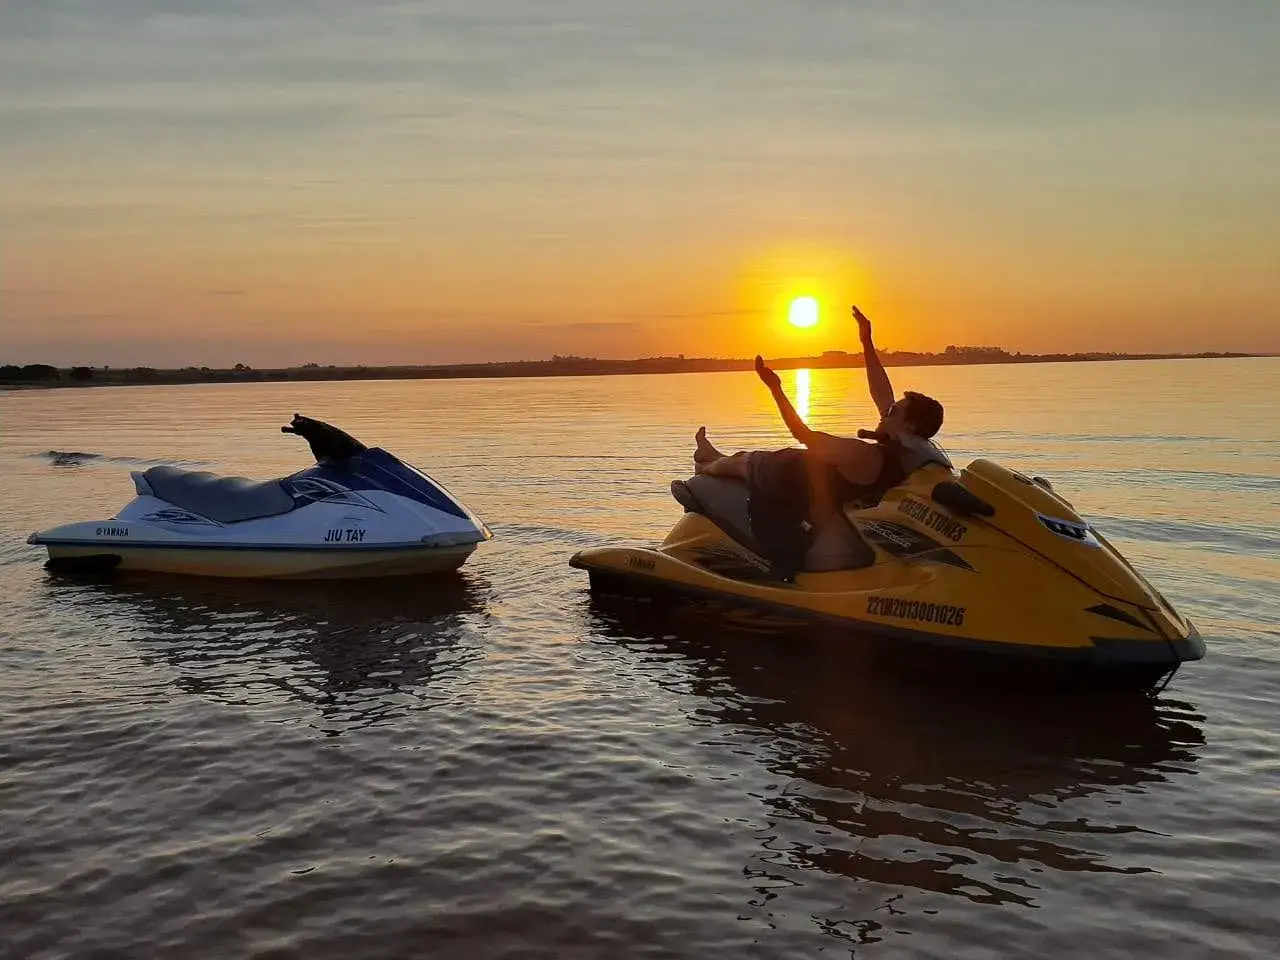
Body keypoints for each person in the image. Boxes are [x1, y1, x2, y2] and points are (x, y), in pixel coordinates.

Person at [693, 305, 945, 511]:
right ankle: (711, 456)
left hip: (789, 475)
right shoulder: (909, 451)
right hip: (813, 470)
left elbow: (802, 434)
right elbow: (881, 391)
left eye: (893, 411)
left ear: (909, 425)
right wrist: (866, 341)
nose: (886, 410)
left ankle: (705, 465)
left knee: (742, 461)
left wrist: (775, 388)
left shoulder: (863, 454)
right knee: (736, 459)